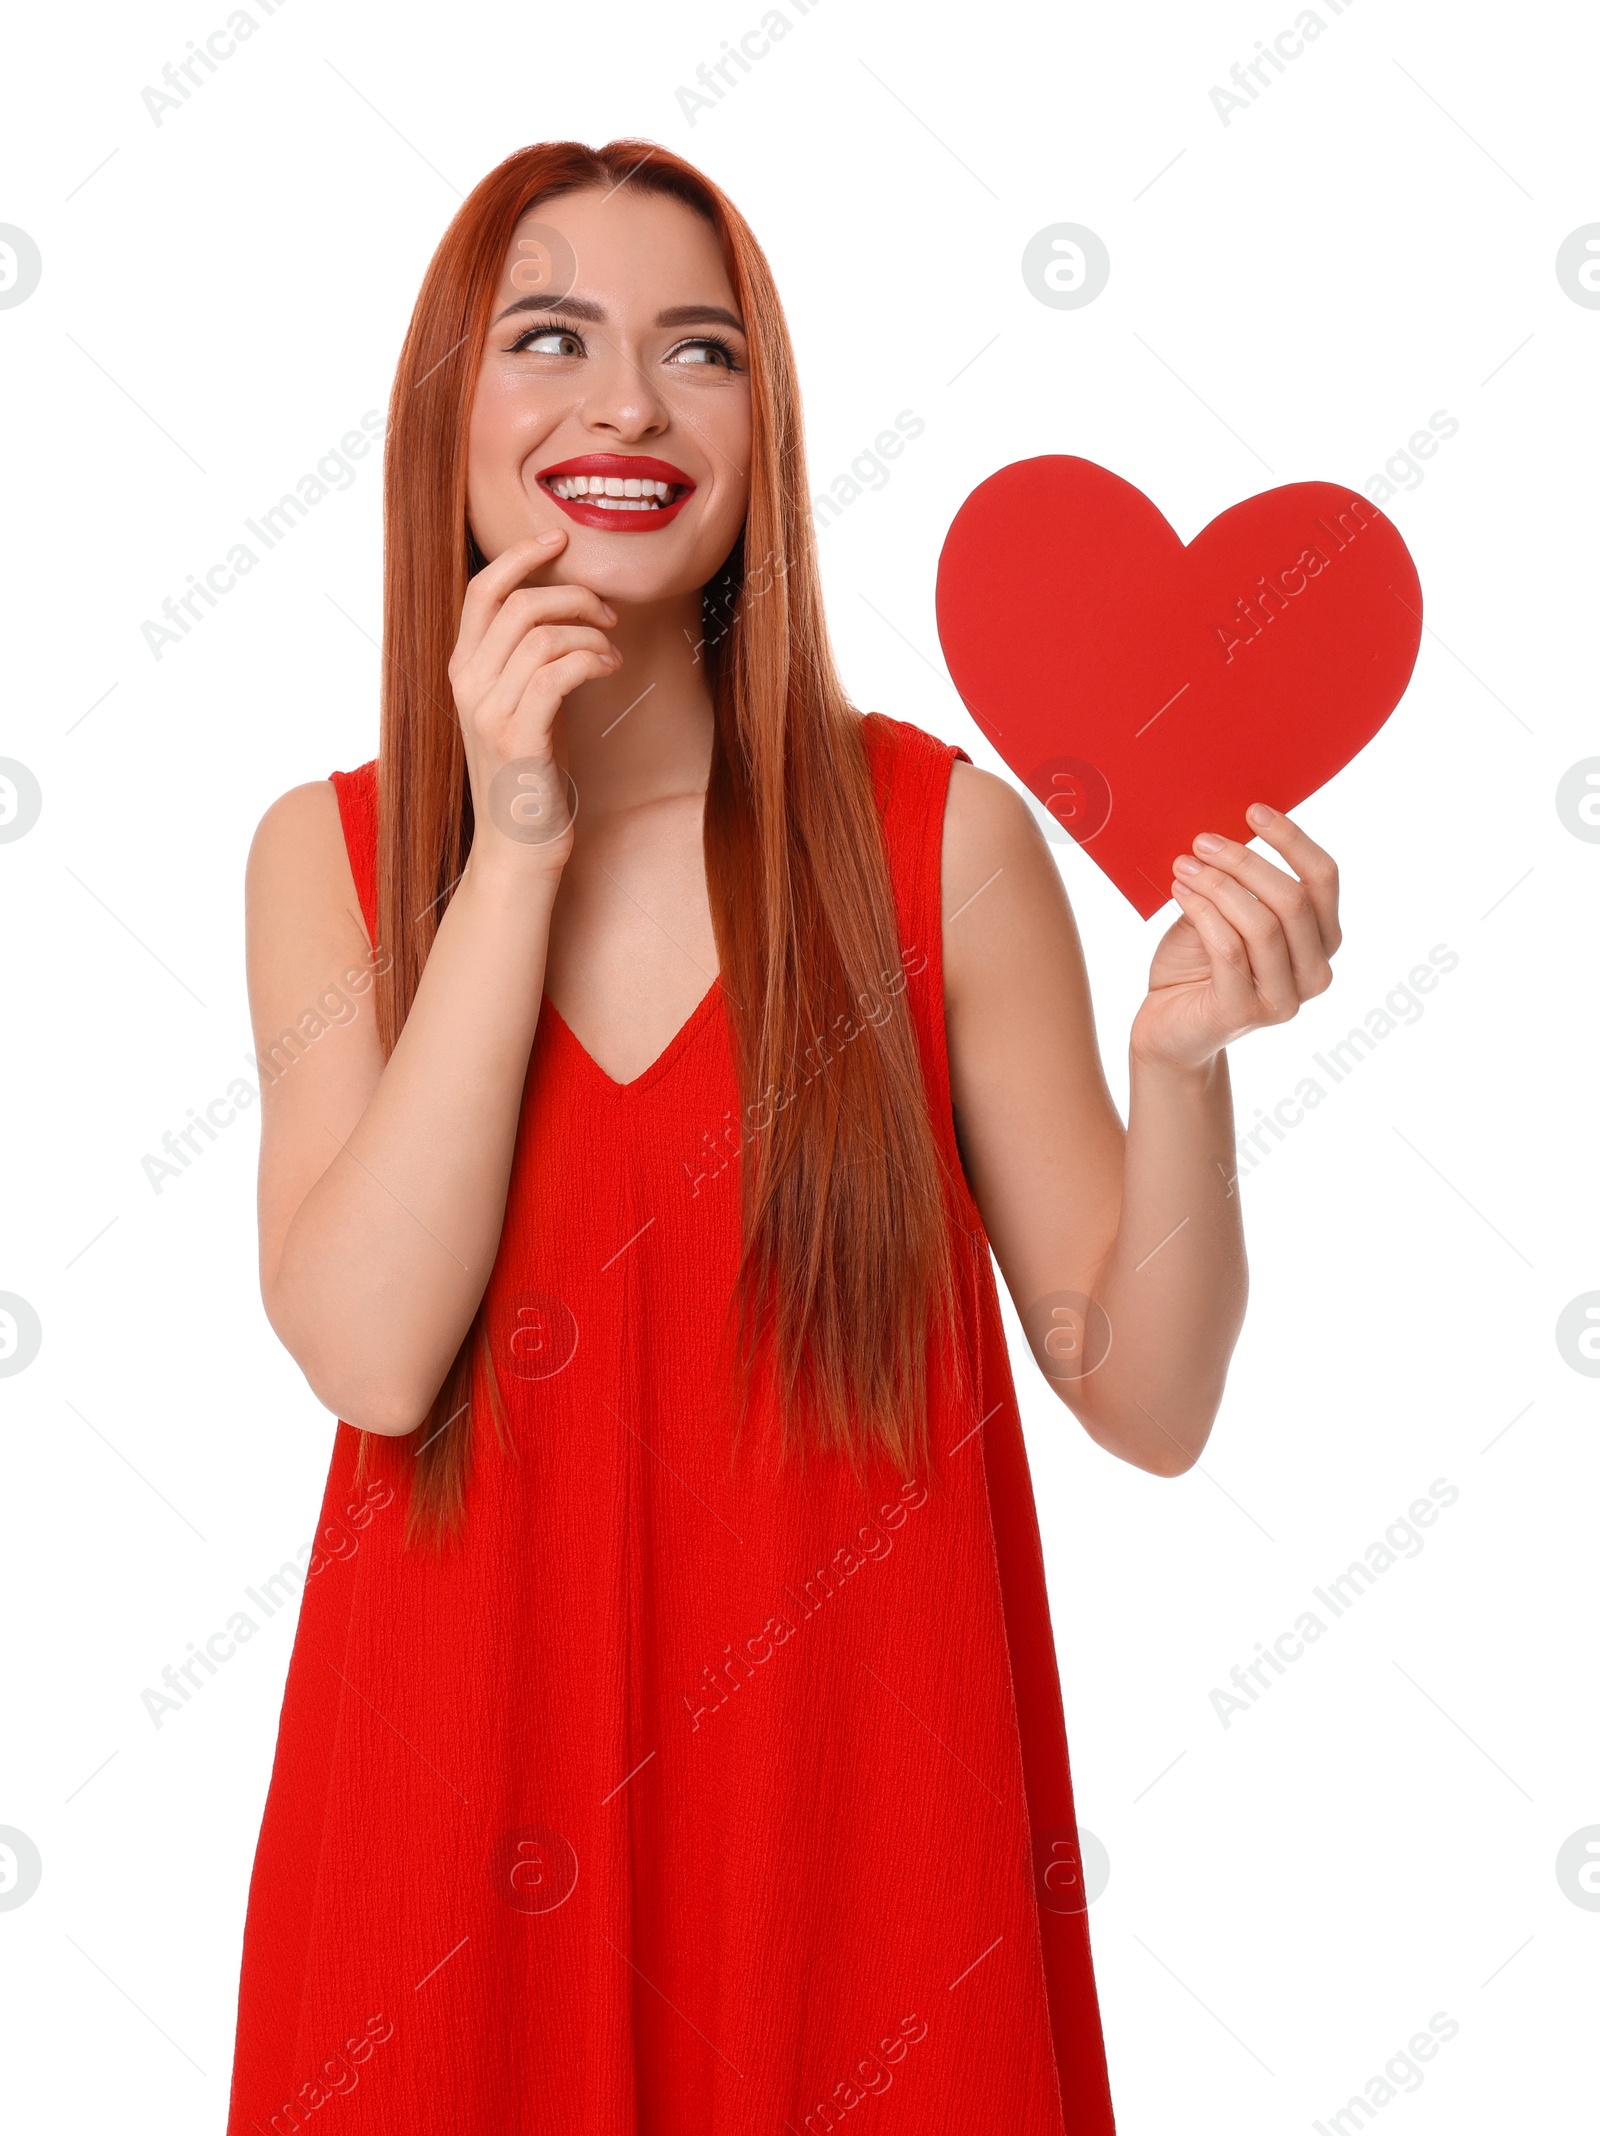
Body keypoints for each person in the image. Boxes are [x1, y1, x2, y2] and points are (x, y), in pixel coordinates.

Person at [227, 138, 1339, 2136]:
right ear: (447, 420)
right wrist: (518, 849)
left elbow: (1149, 1398)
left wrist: (1180, 1070)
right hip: (445, 1890)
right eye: (549, 336)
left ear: (763, 435)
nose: (629, 404)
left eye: (701, 352)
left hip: (861, 1879)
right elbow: (371, 1353)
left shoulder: (939, 846)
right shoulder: (332, 860)